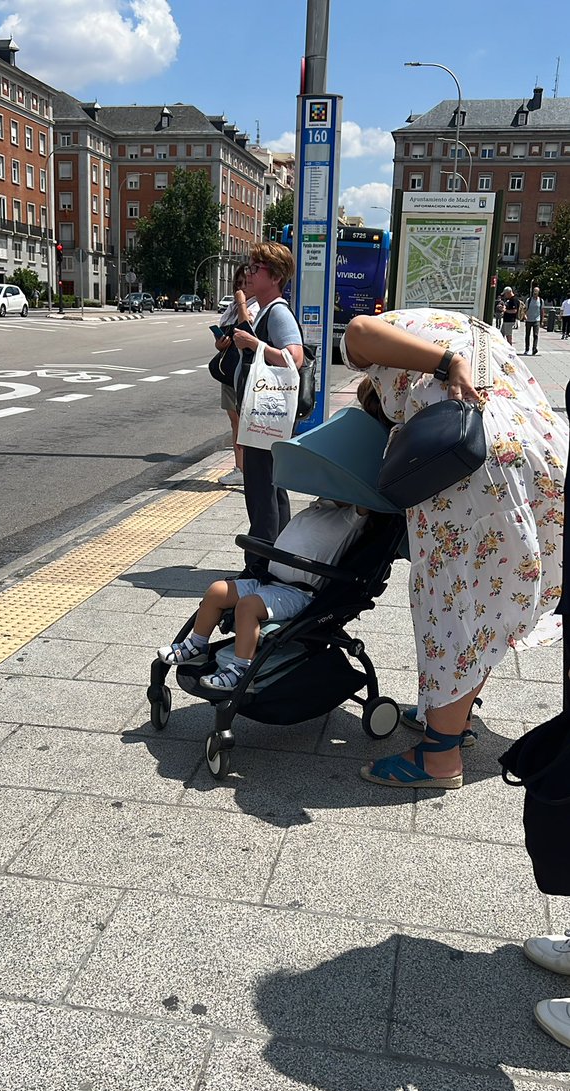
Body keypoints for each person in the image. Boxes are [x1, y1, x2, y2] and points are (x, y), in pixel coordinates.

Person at [343, 307, 567, 789]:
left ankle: (439, 757)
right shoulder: (474, 330)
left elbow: (358, 331)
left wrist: (446, 366)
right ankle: (451, 719)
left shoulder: (403, 353)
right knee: (488, 609)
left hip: (472, 466)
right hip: (542, 456)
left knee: (448, 606)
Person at [158, 499, 368, 690]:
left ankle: (240, 669)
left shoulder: (351, 518)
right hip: (268, 580)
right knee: (217, 591)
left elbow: (365, 503)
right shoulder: (320, 505)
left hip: (297, 593)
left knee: (247, 607)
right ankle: (197, 646)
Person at [232, 242, 304, 578]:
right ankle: (278, 559)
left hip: (268, 415)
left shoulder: (277, 312)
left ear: (274, 276)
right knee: (270, 488)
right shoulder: (265, 310)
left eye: (256, 267)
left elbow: (294, 357)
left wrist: (254, 344)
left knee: (262, 490)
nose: (249, 271)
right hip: (266, 415)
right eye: (249, 265)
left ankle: (260, 564)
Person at [215, 268, 259, 488]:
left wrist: (242, 302)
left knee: (244, 421)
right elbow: (227, 333)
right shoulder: (232, 307)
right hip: (229, 369)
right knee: (234, 421)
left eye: (246, 283)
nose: (241, 288)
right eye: (238, 283)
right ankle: (239, 467)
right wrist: (219, 344)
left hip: (245, 372)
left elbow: (247, 328)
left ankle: (247, 468)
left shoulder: (256, 306)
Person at [523, 285, 545, 355]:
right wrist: (524, 316)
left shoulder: (541, 301)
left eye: (536, 291)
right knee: (527, 335)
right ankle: (527, 349)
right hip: (529, 319)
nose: (535, 293)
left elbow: (542, 310)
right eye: (534, 291)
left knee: (535, 335)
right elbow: (525, 309)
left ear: (538, 292)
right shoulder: (528, 300)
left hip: (536, 320)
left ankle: (534, 349)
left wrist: (542, 320)